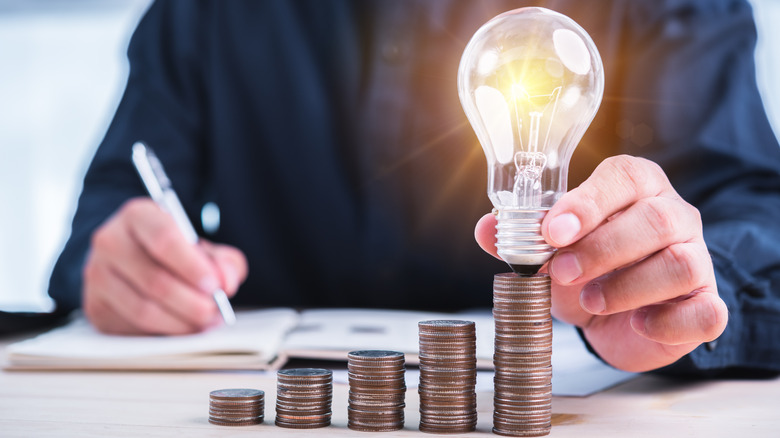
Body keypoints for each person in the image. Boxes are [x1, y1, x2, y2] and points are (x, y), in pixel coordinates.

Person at [49, 0, 780, 375]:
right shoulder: (207, 11)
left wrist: (678, 290)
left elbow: (759, 216)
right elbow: (118, 198)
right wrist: (113, 263)